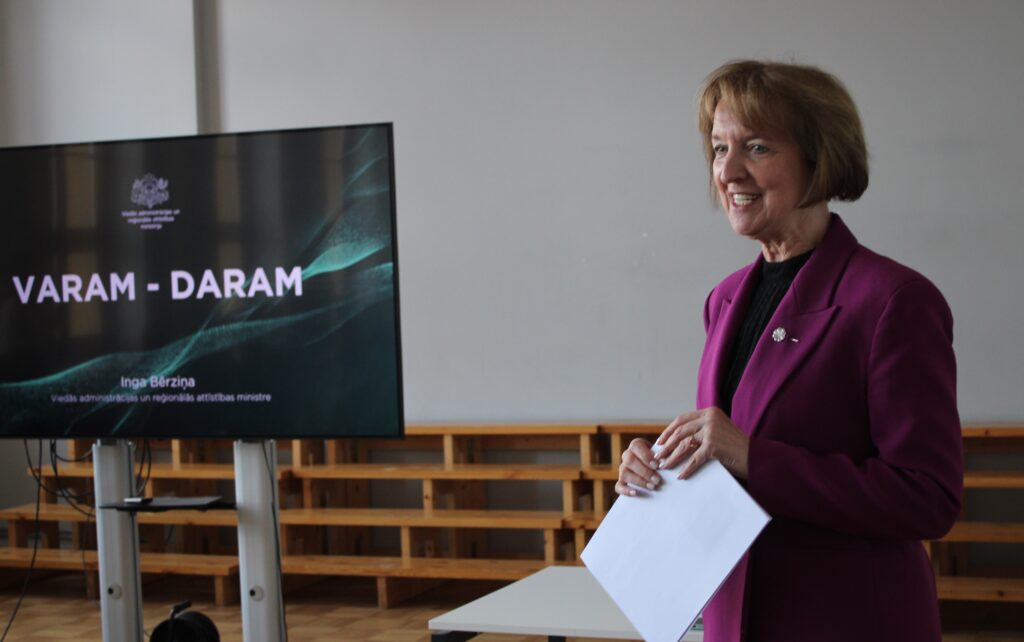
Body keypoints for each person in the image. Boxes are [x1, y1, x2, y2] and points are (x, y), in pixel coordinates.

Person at [615, 60, 963, 642]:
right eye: (719, 148)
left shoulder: (894, 301)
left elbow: (928, 499)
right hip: (736, 619)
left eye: (756, 147)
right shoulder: (724, 300)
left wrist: (753, 457)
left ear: (819, 158)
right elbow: (732, 446)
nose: (728, 171)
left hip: (847, 623)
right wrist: (662, 468)